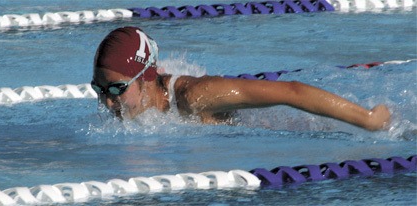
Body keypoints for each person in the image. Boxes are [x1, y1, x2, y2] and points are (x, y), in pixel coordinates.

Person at [91, 26, 390, 131]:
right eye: (99, 88)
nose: (107, 100)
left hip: (289, 128)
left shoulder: (196, 96)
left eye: (117, 88)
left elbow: (291, 92)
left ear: (146, 78)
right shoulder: (139, 102)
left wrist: (368, 119)